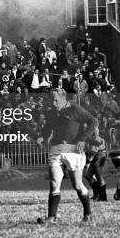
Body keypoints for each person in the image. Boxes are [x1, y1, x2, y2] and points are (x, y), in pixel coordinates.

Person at [37, 93, 95, 224]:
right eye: (52, 100)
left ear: (64, 99)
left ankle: (88, 215)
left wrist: (83, 139)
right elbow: (48, 128)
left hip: (73, 150)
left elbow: (93, 121)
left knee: (77, 185)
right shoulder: (51, 112)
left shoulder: (75, 109)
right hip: (56, 149)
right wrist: (42, 137)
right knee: (54, 183)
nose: (53, 103)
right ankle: (52, 217)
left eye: (56, 100)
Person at [83, 119, 107, 202]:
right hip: (94, 156)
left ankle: (103, 197)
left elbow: (93, 152)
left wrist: (87, 162)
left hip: (100, 156)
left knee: (99, 176)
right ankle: (97, 194)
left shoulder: (96, 137)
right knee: (88, 175)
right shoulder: (88, 136)